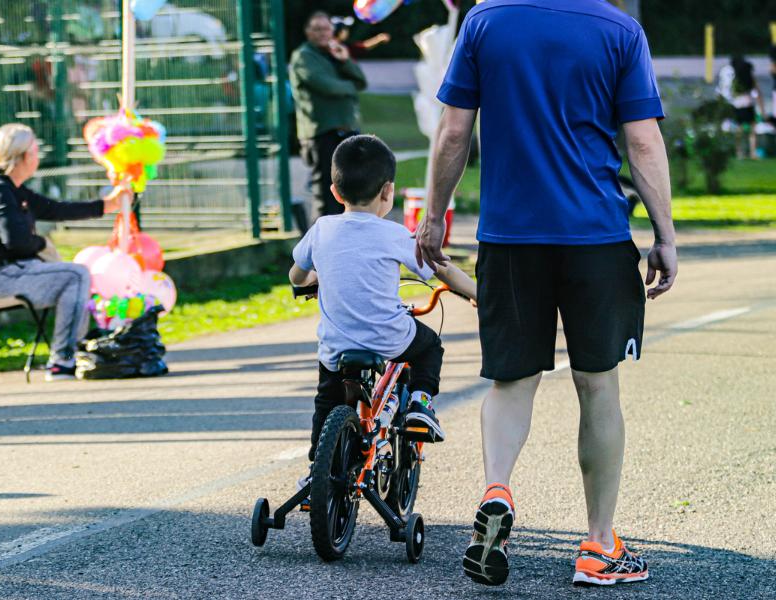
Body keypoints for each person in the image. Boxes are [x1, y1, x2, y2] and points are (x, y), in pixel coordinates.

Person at [415, 0, 677, 588]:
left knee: (511, 381)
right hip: (595, 236)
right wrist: (664, 236)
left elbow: (454, 131)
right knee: (597, 384)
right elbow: (642, 142)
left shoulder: (484, 21)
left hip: (509, 237)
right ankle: (599, 546)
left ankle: (497, 490)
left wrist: (434, 217)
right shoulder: (619, 30)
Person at [289, 134, 477, 477]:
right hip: (388, 337)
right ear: (388, 192)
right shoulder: (395, 234)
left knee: (326, 400)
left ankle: (318, 470)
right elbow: (441, 269)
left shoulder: (321, 229)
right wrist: (477, 292)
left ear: (335, 192)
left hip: (336, 345)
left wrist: (310, 280)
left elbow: (297, 275)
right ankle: (420, 403)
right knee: (429, 347)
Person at [0, 123, 130, 381]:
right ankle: (62, 360)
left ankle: (73, 353)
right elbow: (16, 242)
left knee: (73, 277)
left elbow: (55, 209)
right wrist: (42, 244)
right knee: (76, 275)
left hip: (3, 273)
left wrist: (105, 205)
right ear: (24, 156)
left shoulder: (10, 188)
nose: (39, 155)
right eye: (36, 150)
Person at [289, 11, 367, 220]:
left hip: (346, 132)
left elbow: (361, 81)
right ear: (308, 32)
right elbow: (327, 87)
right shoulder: (303, 56)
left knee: (348, 193)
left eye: (326, 28)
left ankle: (343, 236)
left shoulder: (334, 54)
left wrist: (345, 60)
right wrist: (350, 87)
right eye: (317, 29)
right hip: (322, 134)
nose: (323, 33)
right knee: (326, 194)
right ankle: (322, 238)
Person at [730, 55, 766, 159]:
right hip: (748, 104)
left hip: (738, 105)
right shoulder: (750, 79)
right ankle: (753, 152)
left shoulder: (735, 80)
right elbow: (758, 93)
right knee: (752, 131)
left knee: (739, 130)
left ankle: (739, 151)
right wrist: (762, 109)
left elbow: (732, 93)